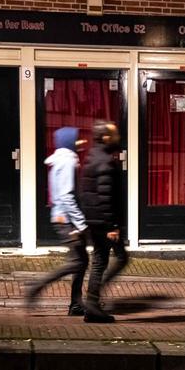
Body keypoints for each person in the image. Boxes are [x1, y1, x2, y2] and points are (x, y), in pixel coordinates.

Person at [25, 127, 89, 316]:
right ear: (69, 142)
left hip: (63, 217)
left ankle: (76, 304)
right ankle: (37, 286)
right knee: (77, 262)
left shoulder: (60, 160)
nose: (79, 144)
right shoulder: (68, 162)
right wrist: (81, 223)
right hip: (66, 220)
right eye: (76, 140)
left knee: (81, 260)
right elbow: (67, 195)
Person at [79, 121, 129, 323]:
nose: (118, 137)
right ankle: (93, 303)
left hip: (94, 220)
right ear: (106, 138)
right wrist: (112, 226)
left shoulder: (93, 157)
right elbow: (106, 195)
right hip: (104, 223)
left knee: (101, 260)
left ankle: (93, 304)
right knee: (109, 260)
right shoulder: (106, 162)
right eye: (114, 134)